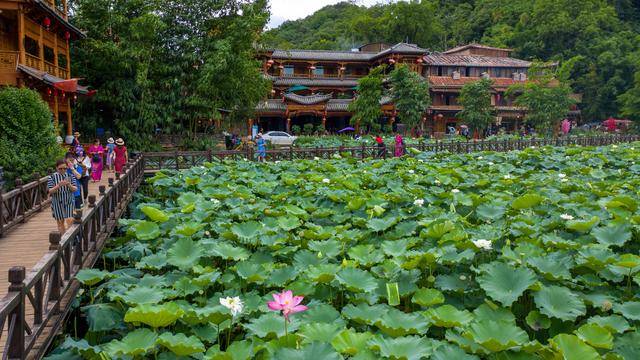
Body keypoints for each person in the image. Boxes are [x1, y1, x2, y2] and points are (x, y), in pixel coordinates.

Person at [48, 159, 78, 234]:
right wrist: (58, 185)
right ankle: (63, 240)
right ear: (56, 168)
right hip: (57, 201)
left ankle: (71, 238)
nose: (63, 170)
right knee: (60, 221)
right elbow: (50, 191)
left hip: (69, 200)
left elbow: (75, 189)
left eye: (65, 168)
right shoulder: (51, 177)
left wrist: (69, 184)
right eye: (60, 168)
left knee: (70, 219)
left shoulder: (71, 176)